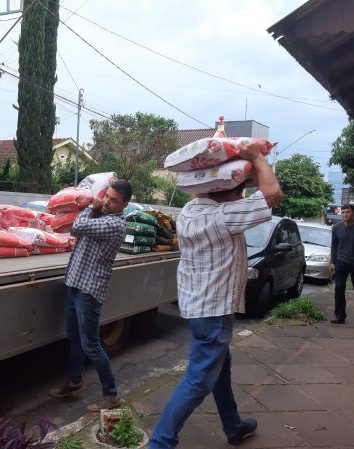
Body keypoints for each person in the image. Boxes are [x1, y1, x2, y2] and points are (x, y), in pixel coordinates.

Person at [148, 145, 282, 449]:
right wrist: (255, 157)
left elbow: (214, 195)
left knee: (220, 367)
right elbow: (272, 195)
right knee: (198, 381)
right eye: (242, 190)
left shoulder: (190, 211)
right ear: (230, 192)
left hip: (196, 307)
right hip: (214, 312)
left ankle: (233, 427)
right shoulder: (225, 217)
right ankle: (159, 443)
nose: (245, 195)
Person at [49, 180, 132, 411]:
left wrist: (90, 207)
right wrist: (94, 206)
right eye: (107, 195)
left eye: (114, 200)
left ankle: (112, 393)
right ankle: (75, 381)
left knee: (91, 344)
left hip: (89, 291)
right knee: (74, 337)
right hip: (75, 283)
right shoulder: (100, 214)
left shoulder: (115, 224)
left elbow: (77, 227)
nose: (107, 201)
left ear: (125, 205)